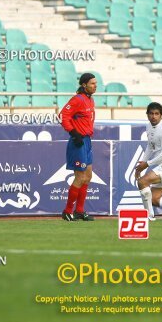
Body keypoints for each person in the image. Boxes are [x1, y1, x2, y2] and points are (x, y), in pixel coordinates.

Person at [59, 73, 97, 221]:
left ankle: (79, 211)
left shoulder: (90, 100)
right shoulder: (77, 99)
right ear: (84, 85)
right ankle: (67, 211)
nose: (95, 86)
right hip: (78, 142)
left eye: (96, 83)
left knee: (87, 177)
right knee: (80, 177)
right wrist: (74, 133)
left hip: (87, 141)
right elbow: (62, 116)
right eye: (92, 83)